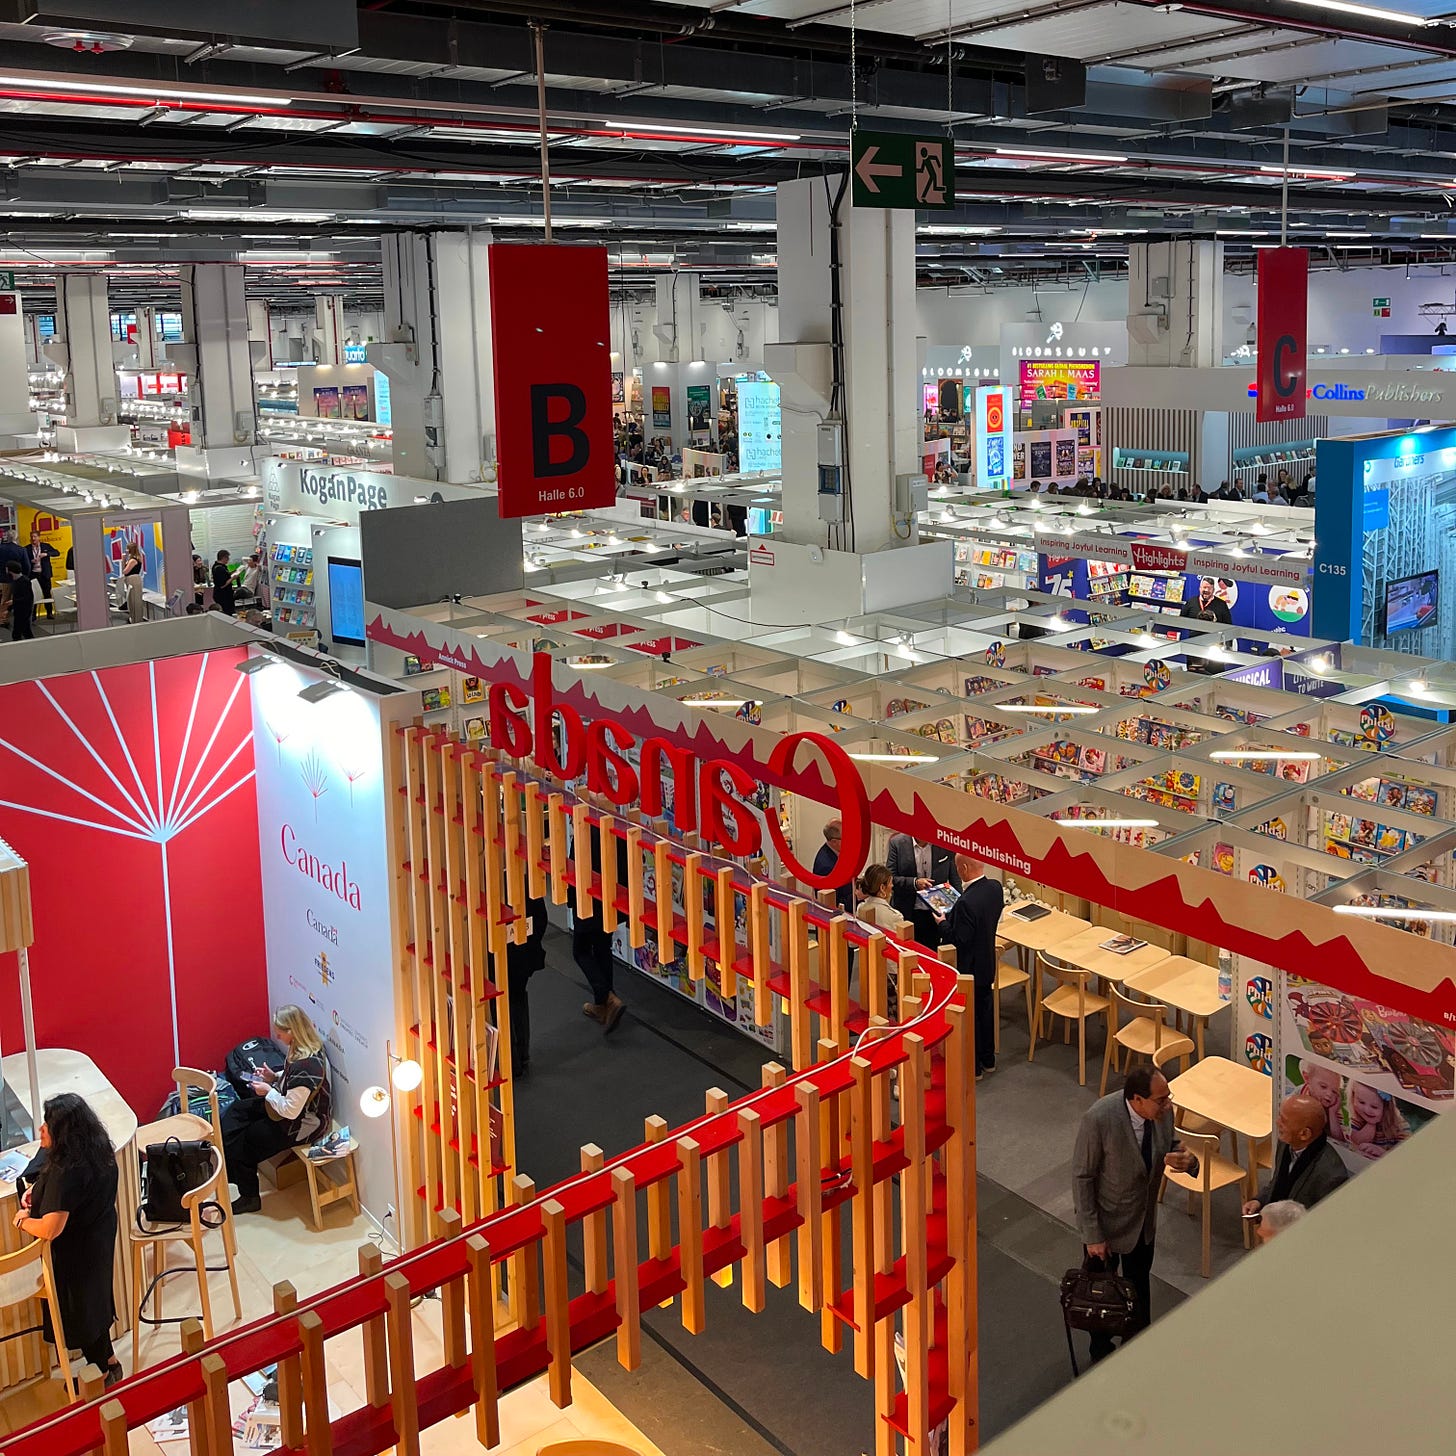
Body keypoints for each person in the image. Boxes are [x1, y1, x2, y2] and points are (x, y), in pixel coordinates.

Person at [1072, 1066, 1197, 1362]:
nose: (1168, 1105)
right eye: (1161, 1100)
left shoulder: (1162, 1113)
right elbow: (1082, 1177)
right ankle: (1100, 1353)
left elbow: (1173, 1145)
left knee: (1139, 1288)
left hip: (1143, 1223)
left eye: (1168, 1098)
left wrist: (1188, 1161)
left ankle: (1139, 1350)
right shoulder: (1099, 1119)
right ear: (1137, 1100)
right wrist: (1093, 1236)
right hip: (1106, 1227)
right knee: (1101, 1295)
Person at [12, 1093, 123, 1387]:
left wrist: (23, 1220)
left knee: (81, 1310)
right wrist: (37, 1192)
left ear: (62, 1132)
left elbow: (50, 1228)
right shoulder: (97, 1149)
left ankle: (100, 1374)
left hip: (75, 1251)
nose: (41, 1130)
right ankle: (109, 1362)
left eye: (46, 1125)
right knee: (95, 1302)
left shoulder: (66, 1171)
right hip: (98, 1235)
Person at [223, 1004, 331, 1215]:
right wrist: (274, 1078)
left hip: (303, 1124)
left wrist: (268, 1091)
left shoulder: (307, 1065)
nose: (277, 1036)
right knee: (236, 1112)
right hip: (285, 1103)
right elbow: (293, 1085)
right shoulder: (303, 1049)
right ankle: (232, 1168)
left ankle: (249, 1196)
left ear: (292, 1031)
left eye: (280, 1032)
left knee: (245, 1142)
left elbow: (291, 1111)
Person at [936, 854, 1004, 1077]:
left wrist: (943, 923)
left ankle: (974, 1068)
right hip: (987, 963)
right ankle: (988, 1059)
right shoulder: (995, 888)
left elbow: (960, 938)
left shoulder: (965, 902)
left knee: (971, 1019)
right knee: (986, 1013)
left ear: (963, 868)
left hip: (969, 967)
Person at [1242, 1093, 1348, 1224]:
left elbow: (1324, 1223)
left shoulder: (1331, 1175)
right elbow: (1278, 1182)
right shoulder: (1286, 1144)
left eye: (1284, 1121)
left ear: (1304, 1134)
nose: (1277, 1122)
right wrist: (1259, 1201)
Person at [575, 818, 628, 1033]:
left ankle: (607, 996)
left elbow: (575, 864)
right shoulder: (618, 827)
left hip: (589, 899)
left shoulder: (585, 827)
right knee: (602, 948)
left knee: (580, 951)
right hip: (610, 901)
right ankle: (602, 1004)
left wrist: (572, 900)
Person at [887, 833, 961, 946]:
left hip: (937, 913)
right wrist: (914, 883)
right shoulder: (897, 843)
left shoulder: (944, 842)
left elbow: (955, 879)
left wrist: (960, 908)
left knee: (933, 953)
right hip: (907, 912)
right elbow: (891, 878)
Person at [506, 894, 548, 1077]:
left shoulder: (487, 887)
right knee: (518, 996)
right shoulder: (524, 882)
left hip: (502, 956)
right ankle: (522, 1053)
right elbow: (541, 919)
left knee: (502, 1005)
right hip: (523, 954)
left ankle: (511, 1059)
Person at [1344, 1080, 1410, 1159]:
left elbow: (1405, 1155)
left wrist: (1383, 1153)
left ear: (1386, 1109)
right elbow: (1356, 1141)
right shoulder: (1356, 1117)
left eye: (1374, 1107)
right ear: (1353, 1097)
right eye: (1361, 1102)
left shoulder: (1399, 1124)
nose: (1367, 1110)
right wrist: (1371, 1123)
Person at [813, 819, 856, 917]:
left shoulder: (839, 852)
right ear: (834, 842)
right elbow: (833, 903)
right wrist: (859, 895)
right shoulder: (826, 866)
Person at [855, 864, 898, 930]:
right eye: (890, 882)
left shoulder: (860, 908)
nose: (892, 885)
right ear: (882, 888)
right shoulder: (895, 916)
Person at [28, 531, 58, 619]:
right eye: (32, 537)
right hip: (33, 574)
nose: (33, 539)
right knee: (33, 594)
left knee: (47, 593)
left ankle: (49, 612)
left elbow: (57, 552)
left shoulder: (45, 546)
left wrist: (47, 554)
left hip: (45, 574)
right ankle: (33, 615)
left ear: (39, 537)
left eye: (35, 537)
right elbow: (23, 560)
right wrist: (31, 561)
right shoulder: (27, 548)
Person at [5, 560, 34, 641]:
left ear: (10, 570)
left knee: (17, 633)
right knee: (25, 631)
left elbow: (27, 597)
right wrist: (9, 609)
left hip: (24, 610)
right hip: (19, 609)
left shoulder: (24, 581)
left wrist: (13, 602)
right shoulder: (15, 581)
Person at [211, 550, 236, 616]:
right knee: (227, 613)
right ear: (224, 558)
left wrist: (233, 572)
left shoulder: (217, 566)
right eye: (227, 558)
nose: (228, 560)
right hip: (223, 595)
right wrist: (232, 578)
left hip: (222, 594)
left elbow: (225, 576)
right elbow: (222, 585)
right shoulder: (219, 569)